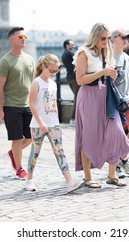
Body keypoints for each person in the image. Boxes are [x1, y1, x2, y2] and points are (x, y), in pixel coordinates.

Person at [73, 23, 129, 188]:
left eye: (107, 38)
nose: (106, 41)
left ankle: (112, 175)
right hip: (89, 96)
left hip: (106, 96)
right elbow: (80, 79)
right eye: (103, 38)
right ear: (95, 37)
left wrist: (112, 74)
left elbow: (107, 74)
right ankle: (88, 177)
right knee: (89, 136)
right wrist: (103, 72)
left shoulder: (107, 52)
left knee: (116, 133)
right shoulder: (83, 53)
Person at [25, 53, 83, 193]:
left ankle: (69, 181)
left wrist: (56, 123)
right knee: (35, 152)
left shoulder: (54, 84)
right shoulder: (36, 82)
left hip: (53, 124)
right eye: (52, 70)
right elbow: (32, 104)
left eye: (56, 71)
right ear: (44, 67)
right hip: (38, 125)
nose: (54, 73)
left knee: (60, 152)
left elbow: (54, 105)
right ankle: (29, 179)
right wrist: (40, 122)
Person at [0, 27, 35, 179]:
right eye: (20, 36)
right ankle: (19, 168)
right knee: (17, 138)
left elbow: (33, 83)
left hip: (28, 105)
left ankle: (14, 152)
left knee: (32, 137)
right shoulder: (5, 61)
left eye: (25, 36)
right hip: (11, 105)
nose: (24, 38)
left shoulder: (30, 59)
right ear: (12, 40)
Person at [111, 29, 129, 178]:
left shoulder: (127, 58)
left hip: (128, 98)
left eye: (127, 38)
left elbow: (128, 81)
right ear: (113, 39)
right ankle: (116, 164)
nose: (126, 40)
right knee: (118, 134)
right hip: (114, 101)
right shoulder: (109, 57)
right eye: (123, 37)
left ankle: (123, 157)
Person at [61, 39, 80, 127]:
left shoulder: (64, 54)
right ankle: (73, 119)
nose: (74, 46)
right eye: (72, 44)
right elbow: (79, 60)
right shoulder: (70, 53)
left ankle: (75, 119)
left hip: (69, 78)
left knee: (77, 97)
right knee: (78, 98)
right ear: (67, 45)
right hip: (75, 78)